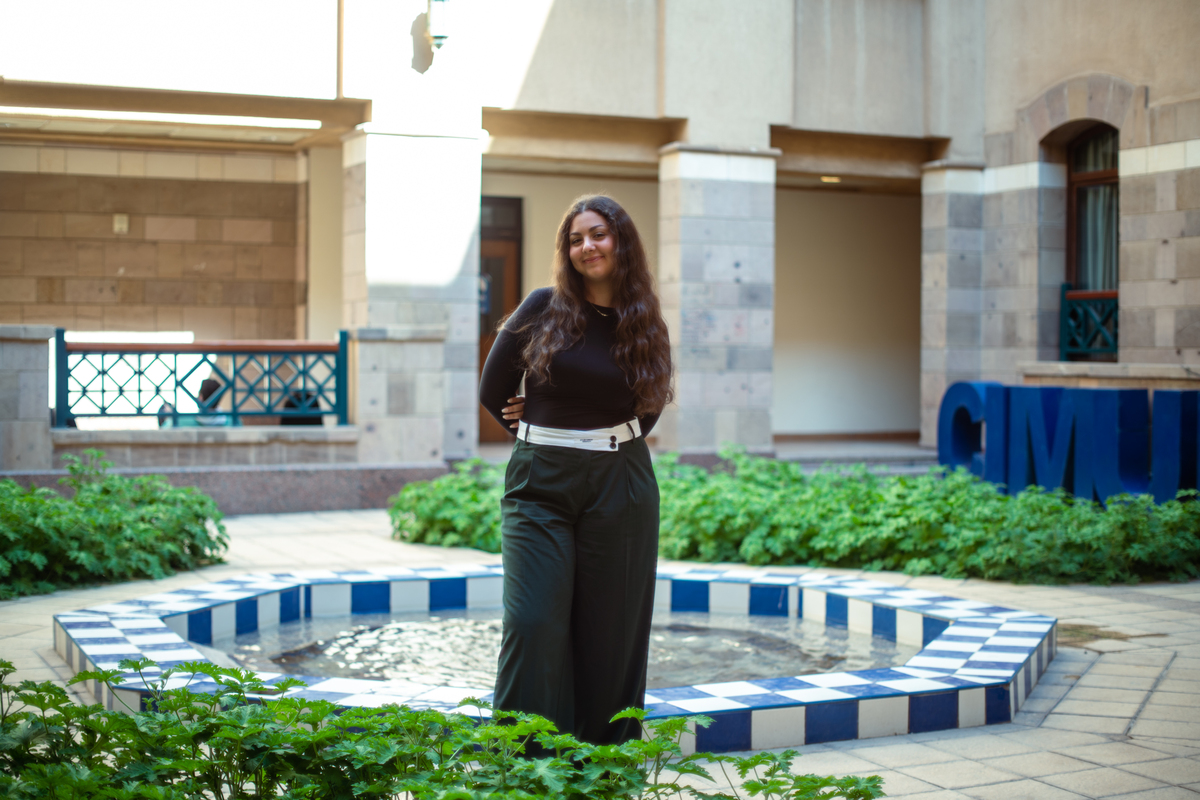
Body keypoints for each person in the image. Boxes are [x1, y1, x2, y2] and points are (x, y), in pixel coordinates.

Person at [478, 194, 674, 747]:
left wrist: (597, 437)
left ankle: (602, 771)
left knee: (612, 637)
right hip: (539, 484)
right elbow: (494, 390)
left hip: (622, 484)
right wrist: (539, 433)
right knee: (533, 624)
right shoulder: (543, 307)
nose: (586, 246)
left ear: (621, 242)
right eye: (575, 238)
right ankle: (523, 767)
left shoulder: (644, 322)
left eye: (598, 234)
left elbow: (649, 406)